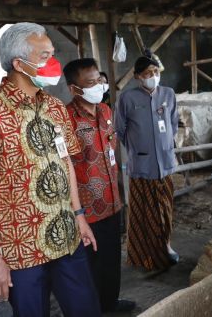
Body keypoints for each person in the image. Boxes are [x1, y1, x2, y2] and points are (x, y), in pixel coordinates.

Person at [0, 22, 100, 316]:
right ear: (18, 63)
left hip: (67, 237)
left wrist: (79, 216)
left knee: (86, 309)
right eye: (45, 56)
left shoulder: (55, 107)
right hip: (20, 251)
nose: (53, 63)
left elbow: (66, 164)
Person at [63, 58, 136, 313]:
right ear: (74, 89)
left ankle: (110, 302)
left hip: (112, 201)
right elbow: (65, 167)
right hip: (86, 210)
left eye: (100, 80)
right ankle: (93, 307)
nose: (98, 86)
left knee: (111, 258)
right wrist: (76, 211)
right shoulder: (66, 119)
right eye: (91, 83)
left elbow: (111, 151)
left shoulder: (105, 111)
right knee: (89, 264)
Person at [115, 54, 179, 271]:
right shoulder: (127, 98)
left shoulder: (168, 94)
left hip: (166, 164)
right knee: (144, 213)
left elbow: (173, 124)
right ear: (137, 77)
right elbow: (120, 130)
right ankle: (144, 253)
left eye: (156, 72)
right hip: (142, 166)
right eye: (147, 73)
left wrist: (165, 145)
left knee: (166, 209)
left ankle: (167, 246)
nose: (153, 76)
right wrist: (138, 148)